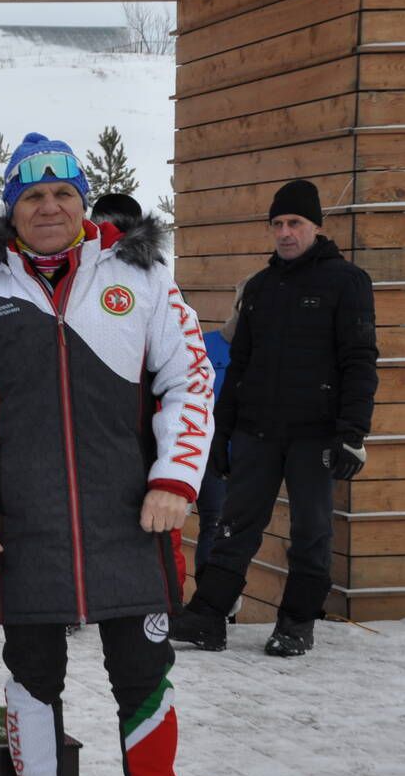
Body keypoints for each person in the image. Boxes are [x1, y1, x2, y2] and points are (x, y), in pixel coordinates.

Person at [0, 132, 210, 776]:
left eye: (62, 194)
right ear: (12, 209)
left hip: (132, 522)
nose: (48, 208)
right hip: (28, 527)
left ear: (83, 202)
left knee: (145, 679)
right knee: (31, 678)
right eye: (32, 196)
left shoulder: (142, 278)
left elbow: (190, 380)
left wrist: (173, 482)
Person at [171, 179, 378, 657]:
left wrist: (353, 431)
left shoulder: (346, 282)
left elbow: (360, 359)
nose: (286, 233)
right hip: (257, 432)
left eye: (295, 223)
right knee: (233, 525)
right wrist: (220, 433)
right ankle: (207, 617)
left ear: (315, 227)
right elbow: (237, 365)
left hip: (317, 435)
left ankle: (296, 623)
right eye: (278, 224)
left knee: (311, 531)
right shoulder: (260, 288)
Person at [90, 194, 188, 589]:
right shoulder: (80, 276)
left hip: (145, 424)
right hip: (98, 423)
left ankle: (165, 600)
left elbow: (179, 370)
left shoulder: (154, 279)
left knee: (159, 526)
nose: (107, 236)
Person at [193, 280, 247, 574]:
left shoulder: (268, 354)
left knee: (238, 531)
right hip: (210, 455)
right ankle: (209, 603)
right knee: (215, 524)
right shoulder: (205, 345)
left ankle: (228, 602)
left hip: (251, 456)